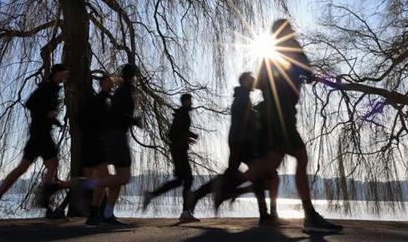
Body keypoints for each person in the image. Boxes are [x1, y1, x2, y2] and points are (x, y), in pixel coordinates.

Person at [217, 19, 342, 234]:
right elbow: (308, 74)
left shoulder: (268, 57)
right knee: (298, 158)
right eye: (289, 29)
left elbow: (261, 84)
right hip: (282, 117)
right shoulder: (293, 50)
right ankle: (309, 215)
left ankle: (228, 187)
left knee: (271, 163)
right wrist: (322, 79)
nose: (292, 32)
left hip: (273, 116)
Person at [188, 72, 279, 225]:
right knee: (253, 174)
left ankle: (200, 195)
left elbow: (244, 115)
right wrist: (257, 117)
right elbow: (242, 116)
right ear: (244, 81)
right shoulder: (242, 97)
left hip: (242, 141)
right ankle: (261, 212)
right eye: (251, 79)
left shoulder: (243, 96)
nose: (254, 80)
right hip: (242, 142)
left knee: (241, 174)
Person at [0, 64, 69, 223]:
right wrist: (47, 114)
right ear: (57, 73)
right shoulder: (46, 87)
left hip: (40, 133)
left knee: (26, 168)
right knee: (51, 164)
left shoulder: (54, 88)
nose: (66, 75)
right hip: (40, 134)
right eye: (64, 72)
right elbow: (30, 104)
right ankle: (44, 201)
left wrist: (54, 120)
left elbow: (41, 109)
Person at [59, 63, 141, 226]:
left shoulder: (115, 94)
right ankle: (86, 185)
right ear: (134, 76)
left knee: (116, 179)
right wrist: (134, 120)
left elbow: (111, 116)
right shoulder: (124, 91)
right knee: (123, 177)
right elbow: (117, 116)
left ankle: (101, 214)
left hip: (111, 138)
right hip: (116, 138)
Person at [142, 94, 201, 223]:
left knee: (180, 180)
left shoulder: (182, 114)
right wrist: (189, 136)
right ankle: (185, 212)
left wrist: (188, 136)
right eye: (189, 101)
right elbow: (173, 133)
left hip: (178, 149)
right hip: (179, 150)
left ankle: (152, 195)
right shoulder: (183, 114)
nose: (191, 103)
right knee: (188, 179)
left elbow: (176, 132)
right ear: (185, 101)